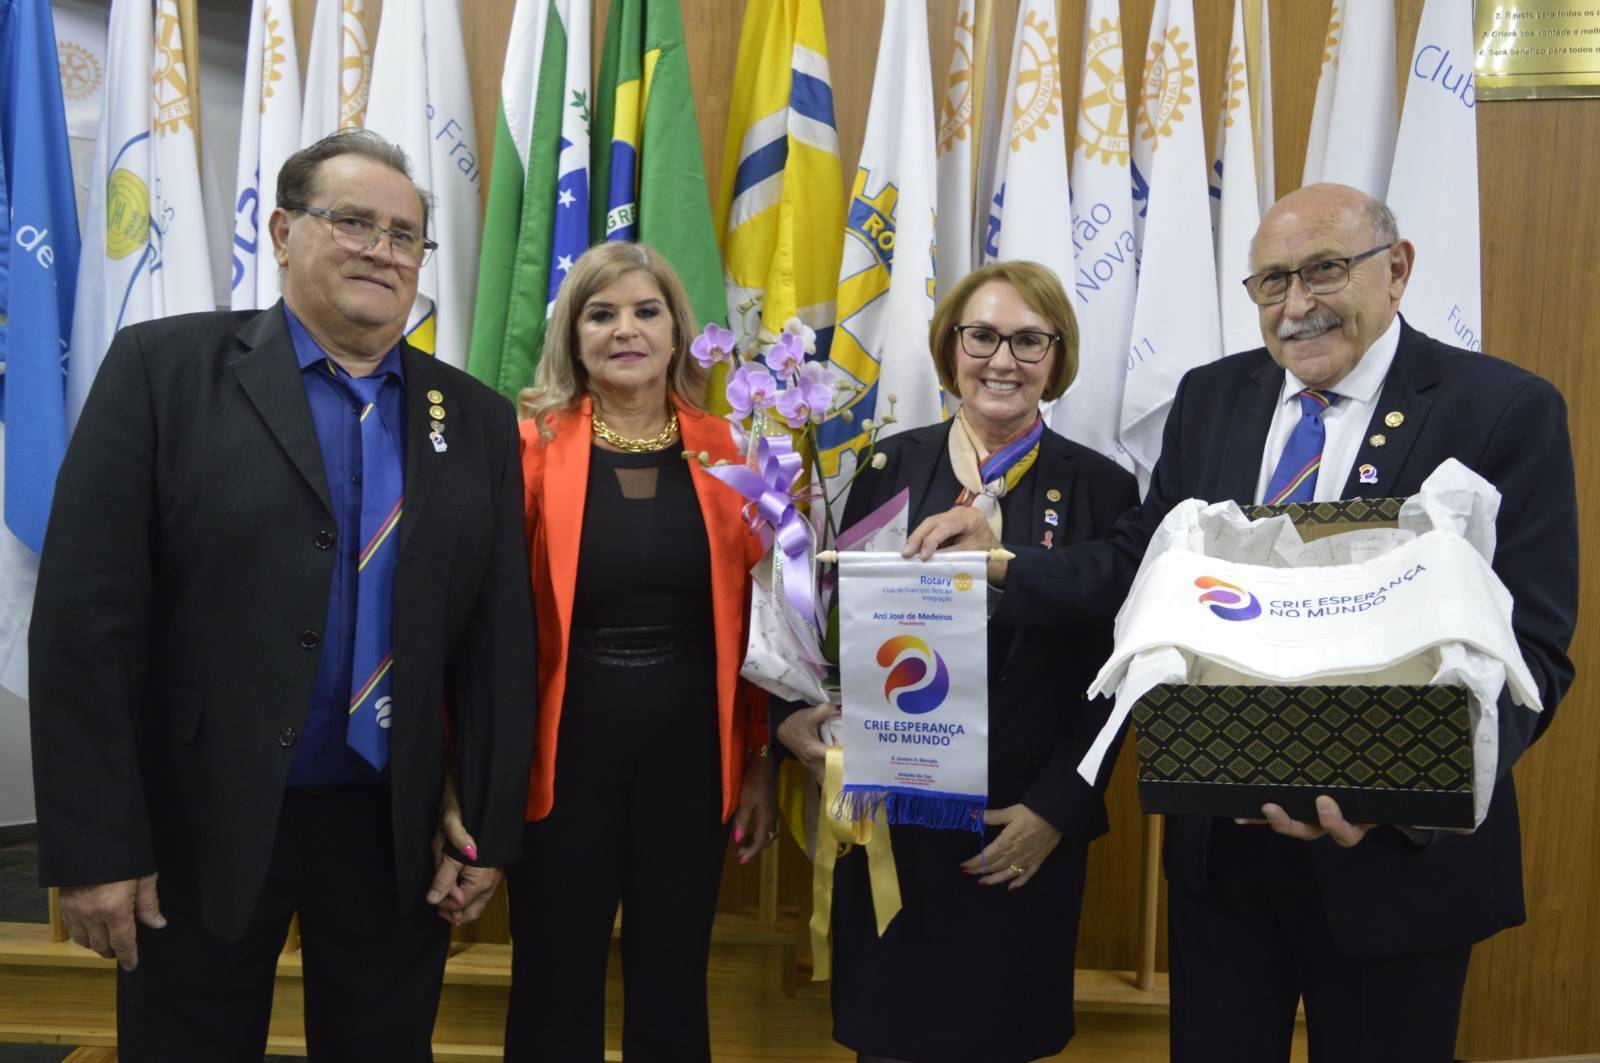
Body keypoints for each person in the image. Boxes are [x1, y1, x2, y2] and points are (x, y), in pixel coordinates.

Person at [908, 184, 1579, 1062]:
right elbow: (1138, 567)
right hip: (1223, 858)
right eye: (1270, 282)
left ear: (1398, 269)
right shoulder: (1214, 396)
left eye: (1324, 271)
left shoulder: (1499, 409)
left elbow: (1532, 649)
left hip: (1393, 866)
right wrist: (1003, 566)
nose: (1296, 305)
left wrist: (1400, 800)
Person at [28, 130, 538, 1062]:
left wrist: (488, 825)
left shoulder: (473, 417)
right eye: (352, 221)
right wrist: (96, 843)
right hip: (197, 823)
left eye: (405, 234)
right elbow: (83, 624)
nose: (381, 250)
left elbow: (497, 637)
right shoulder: (160, 371)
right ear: (281, 230)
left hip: (392, 829)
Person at [777, 260, 1139, 1062]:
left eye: (1028, 340)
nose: (1002, 359)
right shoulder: (885, 467)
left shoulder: (1103, 489)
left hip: (1018, 830)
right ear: (950, 349)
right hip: (892, 825)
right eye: (982, 335)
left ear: (1058, 357)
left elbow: (1117, 670)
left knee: (1003, 1037)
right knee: (889, 1038)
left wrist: (1058, 808)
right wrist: (795, 714)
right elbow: (831, 626)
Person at [505, 241, 777, 1062]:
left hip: (692, 757)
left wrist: (760, 758)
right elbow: (488, 626)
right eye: (601, 312)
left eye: (645, 310)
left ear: (677, 331)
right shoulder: (525, 450)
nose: (626, 329)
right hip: (561, 755)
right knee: (555, 977)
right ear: (574, 336)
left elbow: (767, 628)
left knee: (672, 976)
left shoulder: (734, 450)